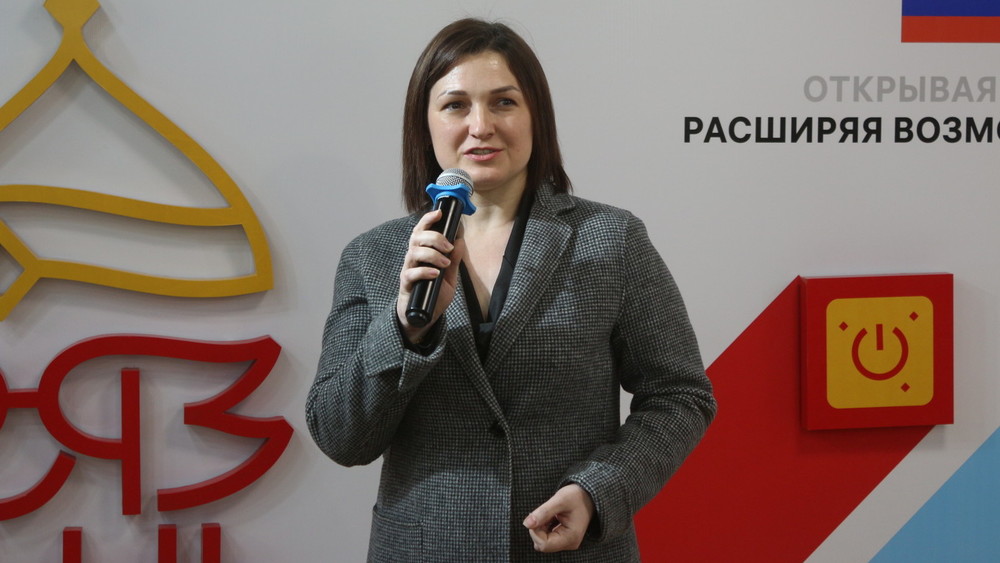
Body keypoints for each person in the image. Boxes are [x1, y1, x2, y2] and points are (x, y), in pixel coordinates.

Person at [306, 18, 716, 562]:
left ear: (535, 116)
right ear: (424, 124)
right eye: (455, 105)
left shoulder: (611, 239)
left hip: (570, 550)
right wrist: (404, 328)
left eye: (503, 102)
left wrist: (597, 491)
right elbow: (340, 436)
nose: (481, 126)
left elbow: (680, 396)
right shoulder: (373, 256)